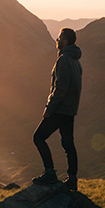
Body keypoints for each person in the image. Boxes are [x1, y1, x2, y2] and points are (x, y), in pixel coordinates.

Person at [32, 27, 82, 190]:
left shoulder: (64, 60)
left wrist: (49, 108)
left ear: (65, 41)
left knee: (38, 137)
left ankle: (50, 173)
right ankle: (72, 179)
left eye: (59, 38)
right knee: (68, 144)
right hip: (69, 110)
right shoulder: (76, 61)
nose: (57, 40)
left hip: (60, 109)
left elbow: (60, 88)